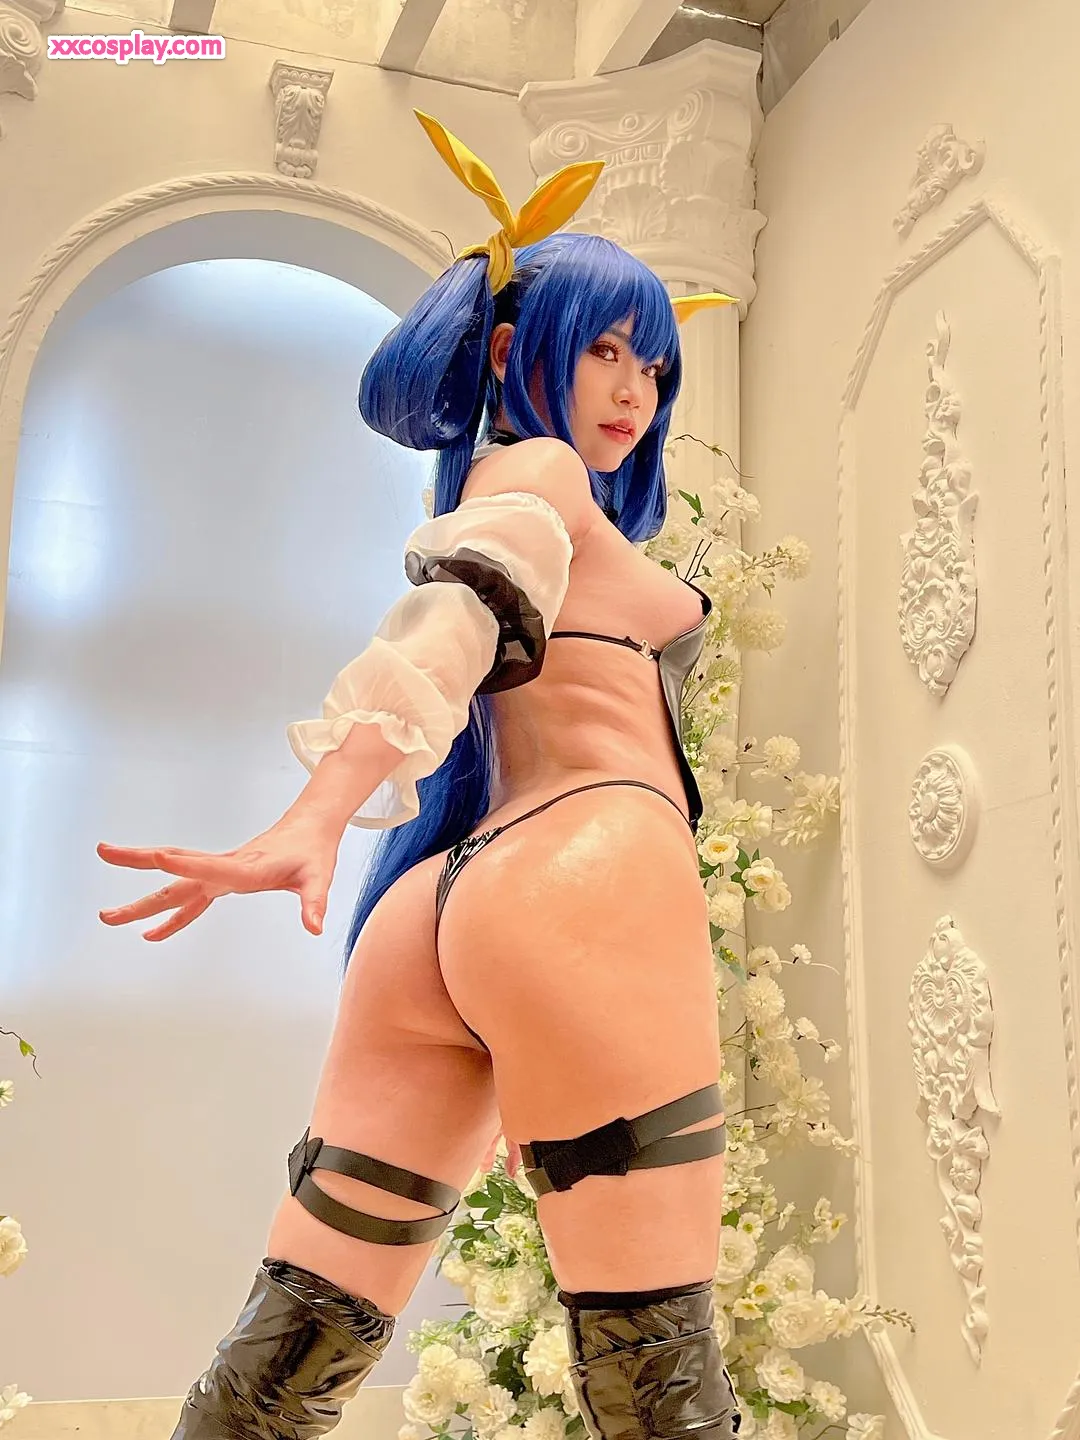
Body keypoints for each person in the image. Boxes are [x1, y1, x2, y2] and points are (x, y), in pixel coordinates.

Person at [97, 110, 742, 1440]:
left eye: (655, 364)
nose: (634, 388)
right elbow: (460, 617)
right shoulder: (541, 472)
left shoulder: (522, 489)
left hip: (443, 914)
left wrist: (536, 1028)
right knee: (659, 1375)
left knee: (288, 1352)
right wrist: (317, 810)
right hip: (590, 877)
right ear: (512, 353)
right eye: (606, 349)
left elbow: (474, 622)